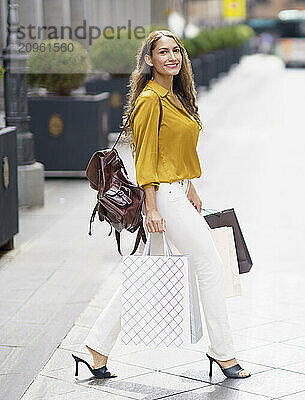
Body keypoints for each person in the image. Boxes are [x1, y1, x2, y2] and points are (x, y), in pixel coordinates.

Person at [72, 29, 251, 380]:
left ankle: (96, 346)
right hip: (163, 196)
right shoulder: (150, 100)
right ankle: (223, 352)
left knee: (146, 273)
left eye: (176, 51)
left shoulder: (175, 96)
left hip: (177, 190)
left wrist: (191, 186)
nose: (172, 57)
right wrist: (152, 207)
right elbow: (147, 158)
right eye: (163, 52)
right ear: (149, 60)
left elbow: (176, 149)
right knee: (210, 266)